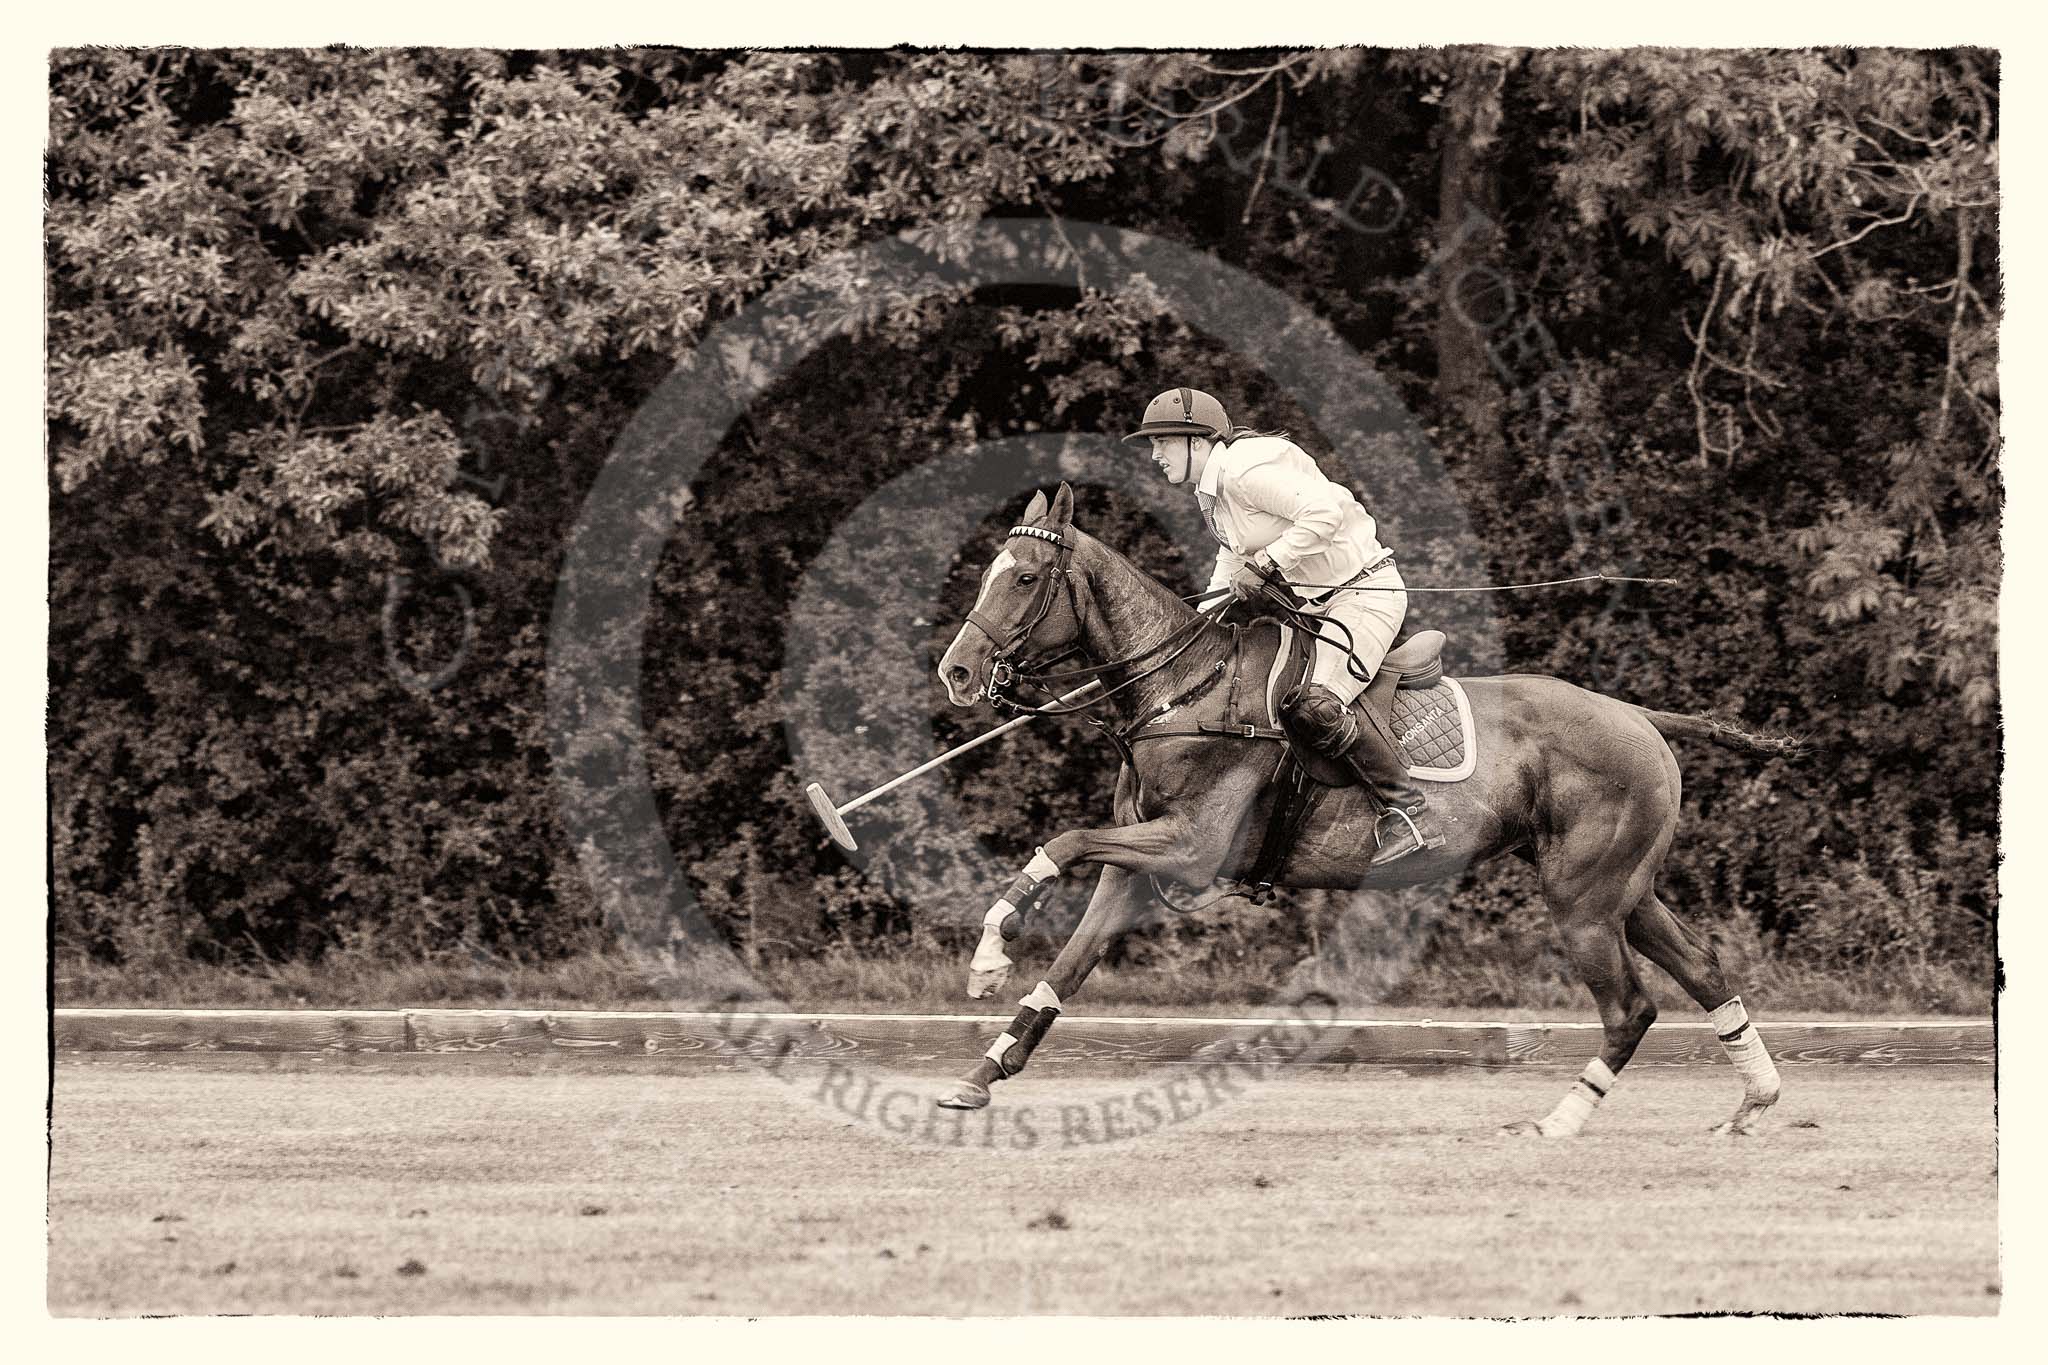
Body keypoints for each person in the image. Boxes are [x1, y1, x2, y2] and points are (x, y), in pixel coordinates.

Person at [1123, 386, 1445, 866]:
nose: (1154, 455)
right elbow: (1233, 558)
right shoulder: (1211, 492)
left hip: (1364, 595)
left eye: (1162, 442)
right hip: (1317, 608)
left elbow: (1325, 512)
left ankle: (1411, 813)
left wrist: (1270, 562)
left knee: (1316, 704)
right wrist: (1195, 627)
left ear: (1198, 440)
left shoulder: (1246, 470)